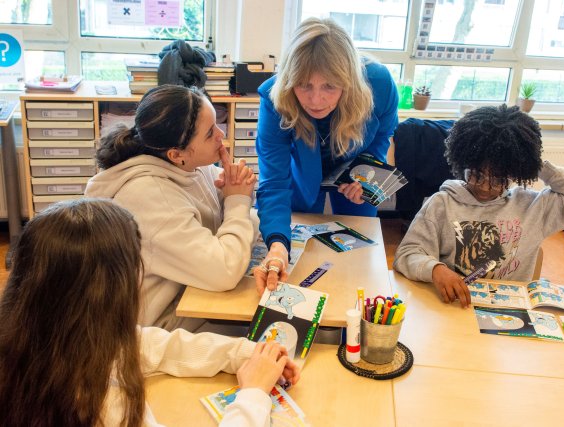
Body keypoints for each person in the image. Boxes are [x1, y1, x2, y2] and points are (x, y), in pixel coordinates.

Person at [0, 199, 300, 427]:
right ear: (112, 290)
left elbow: (151, 345)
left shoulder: (44, 333)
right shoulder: (106, 406)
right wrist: (254, 394)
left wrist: (242, 353)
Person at [85, 84, 257, 331]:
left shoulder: (190, 165)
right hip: (157, 326)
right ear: (177, 154)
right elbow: (225, 270)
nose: (220, 134)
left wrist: (235, 194)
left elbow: (244, 218)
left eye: (216, 123)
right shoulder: (151, 197)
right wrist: (238, 201)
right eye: (210, 133)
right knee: (269, 331)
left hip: (188, 294)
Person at [393, 104, 564, 308]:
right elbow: (407, 253)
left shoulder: (534, 207)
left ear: (513, 174)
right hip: (454, 307)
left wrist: (534, 164)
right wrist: (435, 269)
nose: (484, 186)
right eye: (476, 174)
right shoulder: (441, 204)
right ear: (463, 163)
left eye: (498, 179)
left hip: (509, 311)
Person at [254, 17, 399, 293]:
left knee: (358, 265)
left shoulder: (379, 84)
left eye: (330, 86)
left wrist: (366, 174)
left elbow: (383, 133)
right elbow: (274, 182)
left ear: (349, 82)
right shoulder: (274, 99)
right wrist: (276, 245)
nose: (315, 100)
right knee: (298, 253)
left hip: (353, 164)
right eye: (304, 85)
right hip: (302, 176)